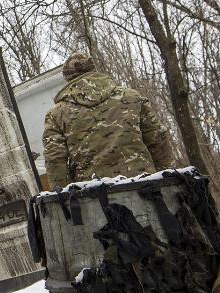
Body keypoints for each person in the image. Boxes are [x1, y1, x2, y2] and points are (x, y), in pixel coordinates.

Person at [42, 52, 175, 191]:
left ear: (67, 78)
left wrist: (65, 201)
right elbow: (158, 140)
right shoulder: (132, 97)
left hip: (94, 196)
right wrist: (166, 181)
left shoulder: (56, 114)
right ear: (93, 69)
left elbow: (55, 161)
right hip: (146, 187)